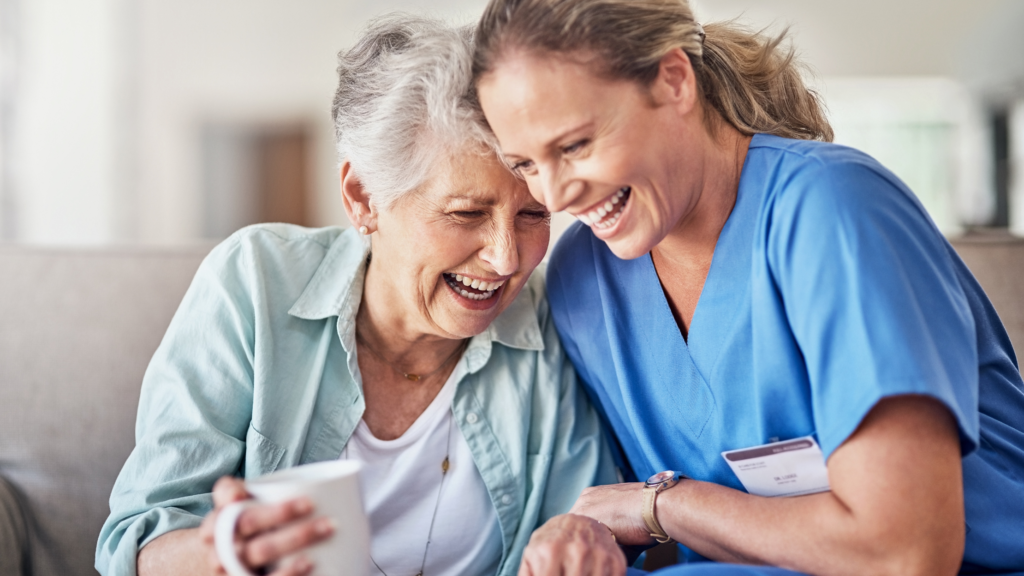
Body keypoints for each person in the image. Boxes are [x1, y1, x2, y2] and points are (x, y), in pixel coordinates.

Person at [471, 0, 1024, 575]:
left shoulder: (833, 211)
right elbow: (652, 533)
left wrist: (662, 504)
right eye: (527, 164)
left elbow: (905, 554)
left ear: (674, 80)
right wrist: (592, 541)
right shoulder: (585, 279)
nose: (556, 198)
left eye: (575, 146)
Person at [96, 15, 615, 576]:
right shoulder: (254, 281)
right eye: (467, 213)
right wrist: (224, 552)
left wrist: (590, 535)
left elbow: (593, 520)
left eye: (534, 214)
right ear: (364, 198)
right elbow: (137, 542)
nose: (507, 258)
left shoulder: (549, 319)